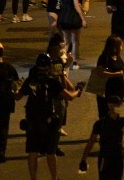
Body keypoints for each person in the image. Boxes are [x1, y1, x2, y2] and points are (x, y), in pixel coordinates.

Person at [18, 51, 84, 180]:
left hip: (32, 122)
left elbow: (17, 96)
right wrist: (78, 90)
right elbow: (70, 96)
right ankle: (54, 178)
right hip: (48, 122)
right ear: (48, 66)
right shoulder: (52, 81)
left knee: (32, 153)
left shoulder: (30, 81)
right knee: (50, 152)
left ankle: (33, 178)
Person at [78, 95, 124, 180]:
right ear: (110, 105)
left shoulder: (121, 122)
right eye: (117, 104)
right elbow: (91, 142)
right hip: (107, 158)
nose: (118, 106)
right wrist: (83, 160)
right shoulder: (102, 123)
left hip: (115, 158)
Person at [58, 0, 88, 68]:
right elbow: (76, 7)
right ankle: (75, 62)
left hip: (63, 17)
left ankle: (63, 57)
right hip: (73, 17)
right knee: (75, 41)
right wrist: (83, 19)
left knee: (66, 41)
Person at [94, 34, 124, 119]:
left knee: (115, 115)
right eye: (120, 44)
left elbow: (121, 73)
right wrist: (115, 74)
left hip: (118, 91)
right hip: (107, 91)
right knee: (105, 115)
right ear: (114, 46)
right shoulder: (104, 58)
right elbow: (100, 73)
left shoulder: (118, 57)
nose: (121, 47)